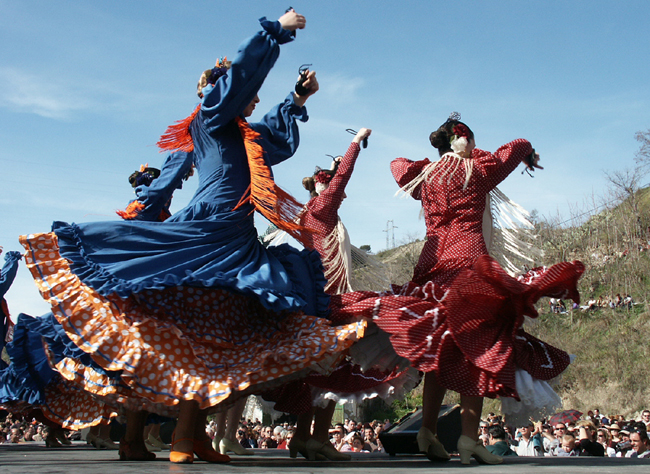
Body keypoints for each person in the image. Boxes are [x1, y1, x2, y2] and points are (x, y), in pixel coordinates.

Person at [19, 10, 364, 465]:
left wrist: (296, 98)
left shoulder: (243, 131)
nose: (253, 97)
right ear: (224, 91)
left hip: (234, 232)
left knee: (217, 334)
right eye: (248, 93)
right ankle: (180, 434)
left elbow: (277, 142)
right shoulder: (211, 116)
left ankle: (186, 433)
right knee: (201, 329)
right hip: (213, 227)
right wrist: (275, 33)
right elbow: (239, 78)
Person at [330, 113, 584, 465]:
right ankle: (468, 439)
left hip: (432, 270)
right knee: (479, 353)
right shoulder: (478, 172)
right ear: (462, 140)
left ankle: (427, 430)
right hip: (469, 269)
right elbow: (518, 145)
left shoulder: (426, 177)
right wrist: (529, 155)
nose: (477, 146)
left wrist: (432, 160)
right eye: (473, 141)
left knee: (440, 353)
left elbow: (396, 165)